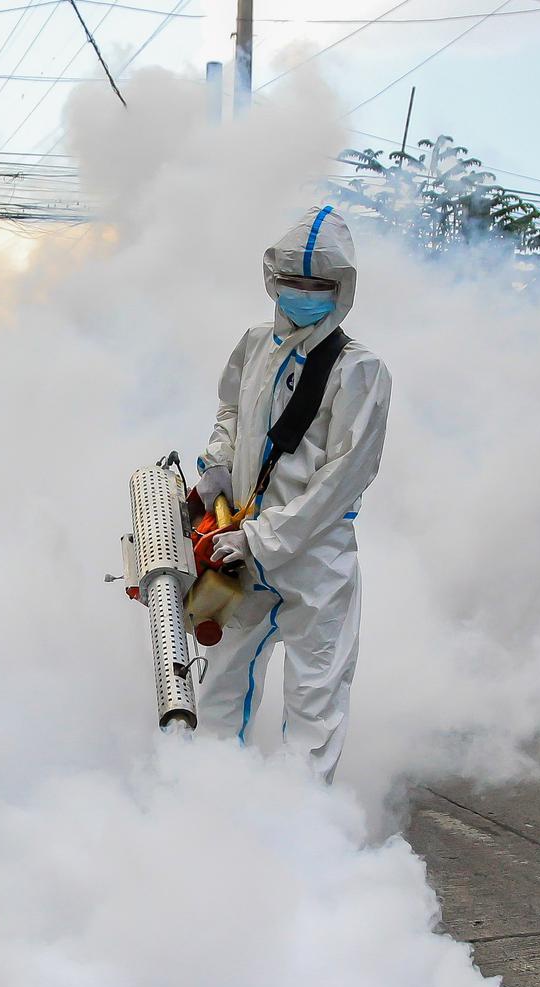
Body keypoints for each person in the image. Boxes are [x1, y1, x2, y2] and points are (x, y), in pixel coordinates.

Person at [191, 204, 391, 784]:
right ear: (272, 279)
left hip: (313, 559)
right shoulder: (255, 345)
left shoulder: (361, 370)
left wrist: (260, 538)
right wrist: (218, 466)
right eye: (293, 282)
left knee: (313, 707)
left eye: (320, 285)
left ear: (343, 289)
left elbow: (345, 476)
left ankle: (299, 838)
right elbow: (231, 409)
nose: (304, 293)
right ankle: (201, 806)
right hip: (237, 548)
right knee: (220, 684)